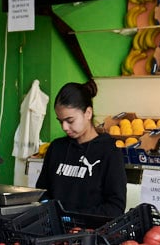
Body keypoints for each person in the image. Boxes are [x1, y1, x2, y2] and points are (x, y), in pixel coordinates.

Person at [35, 80, 127, 218]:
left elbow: (115, 208)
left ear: (88, 113)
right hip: (54, 229)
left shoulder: (109, 151)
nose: (65, 127)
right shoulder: (56, 148)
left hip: (91, 230)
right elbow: (42, 192)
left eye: (70, 120)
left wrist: (73, 218)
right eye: (60, 121)